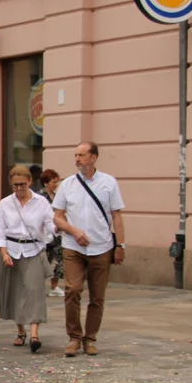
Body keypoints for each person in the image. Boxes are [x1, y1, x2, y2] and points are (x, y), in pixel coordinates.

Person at [52, 142, 126, 357]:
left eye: (82, 155)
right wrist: (73, 230)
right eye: (75, 155)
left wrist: (120, 245)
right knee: (73, 289)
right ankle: (74, 337)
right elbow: (57, 215)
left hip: (102, 246)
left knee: (97, 296)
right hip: (73, 246)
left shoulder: (108, 183)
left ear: (93, 158)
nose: (77, 159)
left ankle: (90, 338)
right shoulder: (67, 184)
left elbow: (117, 216)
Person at [0, 165, 54, 354]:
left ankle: (34, 335)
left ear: (30, 182)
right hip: (11, 250)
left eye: (23, 184)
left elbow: (50, 224)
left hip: (33, 250)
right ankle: (21, 331)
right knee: (15, 292)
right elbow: (0, 232)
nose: (19, 188)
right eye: (15, 185)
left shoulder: (41, 202)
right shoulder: (5, 204)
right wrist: (4, 253)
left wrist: (57, 230)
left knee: (34, 291)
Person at [40, 169, 64, 297]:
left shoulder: (56, 196)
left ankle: (54, 287)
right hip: (45, 234)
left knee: (59, 260)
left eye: (56, 182)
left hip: (57, 233)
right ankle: (38, 286)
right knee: (44, 261)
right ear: (45, 183)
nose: (55, 185)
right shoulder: (40, 197)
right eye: (53, 182)